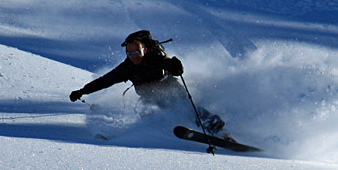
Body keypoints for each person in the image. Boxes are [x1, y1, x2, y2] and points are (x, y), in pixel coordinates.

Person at [69, 30, 225, 133]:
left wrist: (176, 68)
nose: (134, 56)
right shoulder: (126, 67)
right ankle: (158, 135)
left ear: (144, 50)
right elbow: (105, 81)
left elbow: (170, 66)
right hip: (149, 97)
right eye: (130, 53)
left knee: (184, 105)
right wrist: (83, 91)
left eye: (137, 51)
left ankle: (213, 124)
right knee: (145, 111)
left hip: (170, 89)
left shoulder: (155, 57)